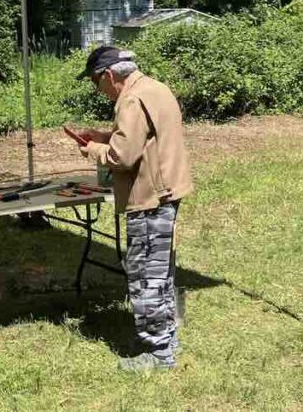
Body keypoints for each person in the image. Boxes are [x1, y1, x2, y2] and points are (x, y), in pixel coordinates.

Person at [74, 45, 194, 371]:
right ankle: (168, 341)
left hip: (148, 198)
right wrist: (104, 135)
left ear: (109, 75)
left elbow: (122, 157)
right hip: (167, 192)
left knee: (145, 276)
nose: (97, 91)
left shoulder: (130, 99)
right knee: (161, 273)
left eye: (95, 83)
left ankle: (158, 355)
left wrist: (94, 149)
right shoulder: (155, 88)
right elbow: (144, 137)